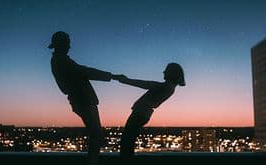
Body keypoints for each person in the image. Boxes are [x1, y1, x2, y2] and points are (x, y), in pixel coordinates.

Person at [48, 31, 119, 165]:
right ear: (61, 44)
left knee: (95, 133)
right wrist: (111, 76)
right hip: (83, 100)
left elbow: (81, 72)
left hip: (81, 100)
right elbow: (85, 71)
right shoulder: (61, 60)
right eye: (67, 43)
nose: (70, 46)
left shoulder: (60, 60)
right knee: (96, 134)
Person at [113, 63, 186, 161]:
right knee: (129, 141)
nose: (163, 72)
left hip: (140, 113)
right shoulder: (169, 87)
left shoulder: (166, 87)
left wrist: (126, 80)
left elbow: (145, 84)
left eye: (166, 70)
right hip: (144, 113)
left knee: (127, 141)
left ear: (171, 73)